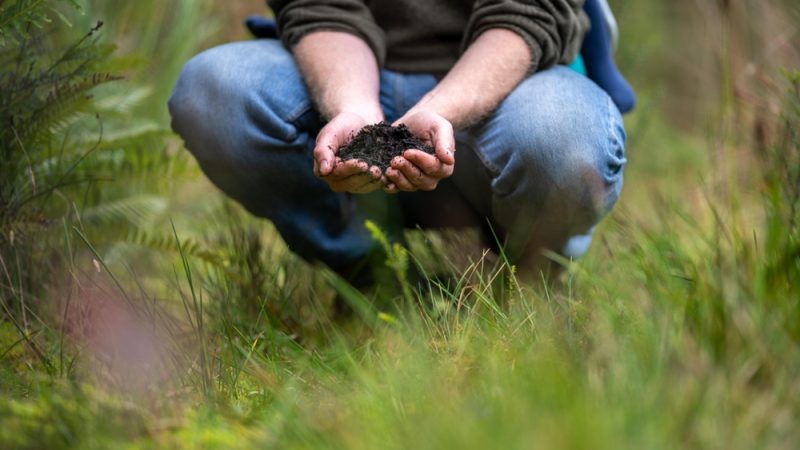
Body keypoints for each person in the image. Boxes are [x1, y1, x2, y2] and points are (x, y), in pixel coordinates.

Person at [168, 0, 627, 283]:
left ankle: (531, 270)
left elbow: (528, 13)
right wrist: (353, 109)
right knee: (215, 90)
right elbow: (319, 6)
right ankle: (369, 273)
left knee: (561, 140)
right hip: (351, 72)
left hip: (510, 83)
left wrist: (440, 111)